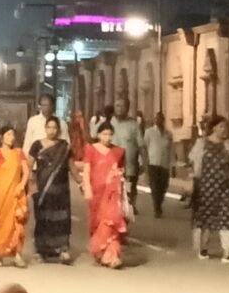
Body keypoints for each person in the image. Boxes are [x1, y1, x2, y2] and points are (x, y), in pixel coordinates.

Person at [190, 115, 229, 263]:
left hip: (226, 187)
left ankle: (227, 252)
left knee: (228, 217)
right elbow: (196, 164)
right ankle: (203, 248)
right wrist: (195, 182)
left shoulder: (228, 144)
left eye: (226, 127)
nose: (224, 130)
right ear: (213, 128)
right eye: (221, 127)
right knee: (206, 218)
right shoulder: (202, 144)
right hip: (207, 187)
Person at [28, 116, 77, 263]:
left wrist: (82, 183)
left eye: (54, 128)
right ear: (45, 128)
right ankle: (41, 250)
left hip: (61, 190)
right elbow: (29, 165)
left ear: (59, 130)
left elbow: (72, 166)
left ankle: (62, 249)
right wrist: (29, 183)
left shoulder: (64, 146)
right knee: (43, 218)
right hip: (43, 189)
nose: (52, 130)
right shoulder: (37, 145)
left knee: (62, 219)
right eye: (49, 127)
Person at [82, 121, 127, 269]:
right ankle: (100, 253)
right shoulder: (90, 149)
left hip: (112, 195)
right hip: (96, 193)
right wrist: (86, 188)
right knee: (96, 223)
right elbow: (87, 170)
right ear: (98, 135)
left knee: (111, 224)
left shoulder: (118, 152)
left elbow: (122, 172)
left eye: (110, 134)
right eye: (104, 134)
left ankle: (112, 255)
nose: (107, 137)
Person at [0, 125, 29, 267]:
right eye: (8, 135)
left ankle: (17, 254)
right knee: (1, 225)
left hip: (17, 195)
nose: (11, 138)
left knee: (18, 225)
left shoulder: (19, 153)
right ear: (1, 137)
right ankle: (0, 253)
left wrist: (22, 184)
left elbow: (26, 171)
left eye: (12, 135)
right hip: (1, 195)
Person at [111, 98, 144, 213]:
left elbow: (141, 145)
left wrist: (144, 162)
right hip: (111, 166)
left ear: (127, 108)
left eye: (122, 106)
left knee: (129, 190)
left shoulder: (134, 125)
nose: (119, 108)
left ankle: (129, 206)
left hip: (129, 166)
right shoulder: (109, 123)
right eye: (117, 105)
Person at [144, 112, 174, 217]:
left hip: (164, 165)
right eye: (156, 119)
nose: (158, 121)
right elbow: (145, 148)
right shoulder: (149, 133)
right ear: (154, 120)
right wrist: (144, 163)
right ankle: (157, 208)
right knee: (155, 187)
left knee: (163, 187)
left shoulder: (168, 134)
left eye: (160, 119)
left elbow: (171, 149)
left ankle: (159, 203)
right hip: (153, 164)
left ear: (163, 120)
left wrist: (172, 165)